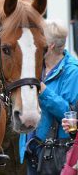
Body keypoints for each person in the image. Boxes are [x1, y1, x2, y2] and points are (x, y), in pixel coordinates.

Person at [19, 20, 78, 174]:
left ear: (50, 46)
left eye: (41, 39)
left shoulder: (72, 71)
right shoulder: (37, 65)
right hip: (31, 150)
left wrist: (44, 92)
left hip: (54, 155)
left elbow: (69, 113)